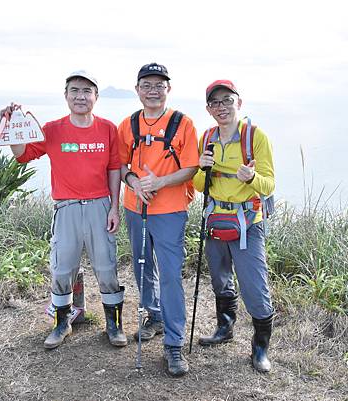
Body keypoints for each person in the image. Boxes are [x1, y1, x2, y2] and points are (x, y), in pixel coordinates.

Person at [1, 70, 127, 349]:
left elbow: (114, 168)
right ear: (66, 95)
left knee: (106, 269)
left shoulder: (108, 128)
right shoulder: (53, 129)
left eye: (86, 91)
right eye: (75, 91)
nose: (80, 96)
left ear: (96, 96)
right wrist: (13, 126)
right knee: (62, 270)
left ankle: (114, 325)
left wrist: (114, 208)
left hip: (99, 206)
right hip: (66, 208)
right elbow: (22, 154)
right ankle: (61, 324)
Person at [117, 62, 199, 376]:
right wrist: (135, 182)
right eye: (147, 85)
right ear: (137, 89)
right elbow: (120, 165)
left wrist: (160, 182)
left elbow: (191, 167)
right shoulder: (128, 124)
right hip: (135, 207)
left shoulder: (183, 124)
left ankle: (174, 345)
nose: (153, 91)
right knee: (141, 265)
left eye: (159, 85)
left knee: (170, 274)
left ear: (168, 89)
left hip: (170, 210)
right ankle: (154, 315)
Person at [193, 79, 275, 372]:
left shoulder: (255, 137)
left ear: (238, 103)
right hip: (216, 219)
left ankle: (260, 347)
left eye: (227, 100)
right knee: (220, 279)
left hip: (248, 222)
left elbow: (269, 184)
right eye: (215, 103)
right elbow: (200, 185)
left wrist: (251, 179)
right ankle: (224, 329)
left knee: (254, 286)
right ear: (208, 109)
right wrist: (203, 169)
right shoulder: (206, 138)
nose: (222, 107)